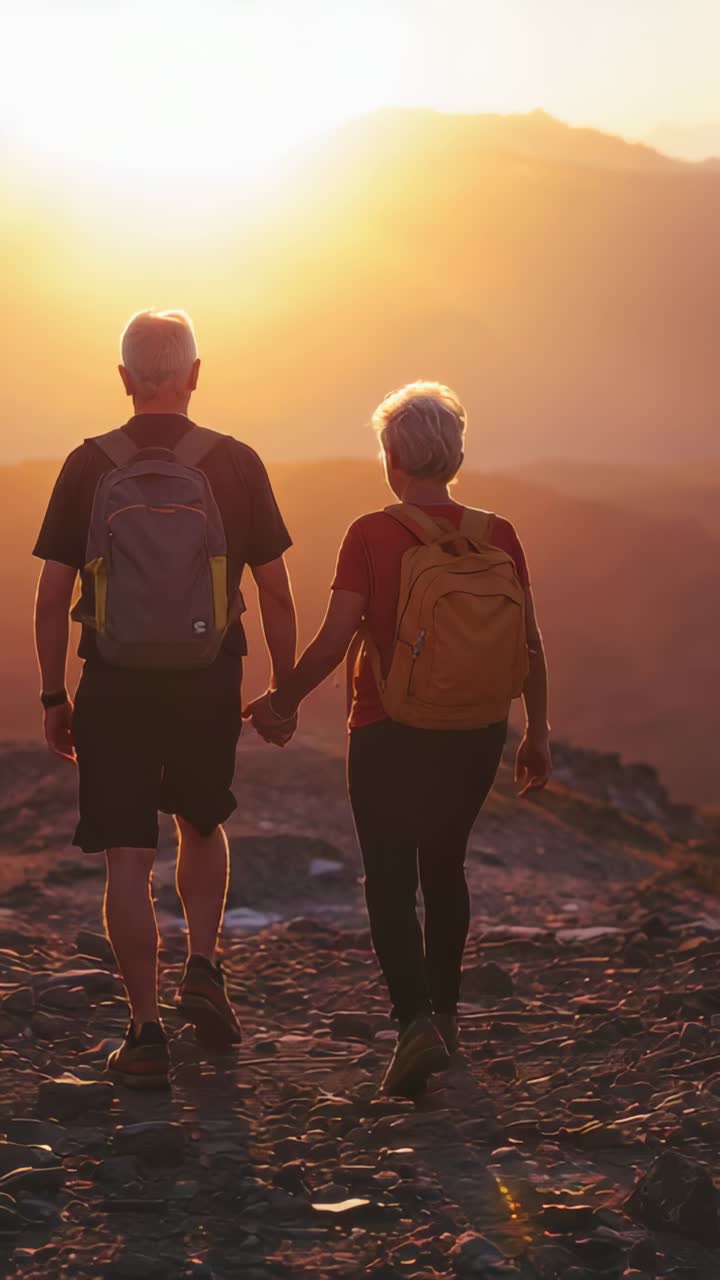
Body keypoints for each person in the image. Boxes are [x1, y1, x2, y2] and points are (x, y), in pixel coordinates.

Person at [245, 381, 551, 1096]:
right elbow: (530, 642)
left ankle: (413, 1025)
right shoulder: (498, 533)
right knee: (445, 867)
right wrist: (536, 731)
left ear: (392, 458)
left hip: (390, 728)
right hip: (477, 729)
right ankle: (446, 1019)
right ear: (456, 455)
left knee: (389, 876)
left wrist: (279, 702)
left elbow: (333, 642)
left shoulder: (371, 533)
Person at [33, 309, 297, 1089]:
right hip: (208, 676)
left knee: (127, 852)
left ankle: (146, 1032)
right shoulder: (235, 462)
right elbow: (276, 592)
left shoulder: (88, 464)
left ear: (124, 379)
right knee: (202, 819)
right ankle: (204, 967)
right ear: (195, 375)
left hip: (113, 681)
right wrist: (282, 691)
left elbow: (50, 598)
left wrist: (54, 694)